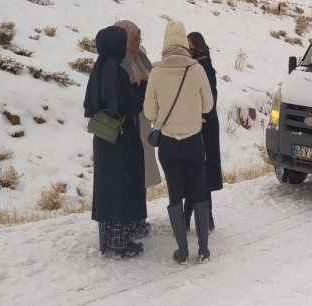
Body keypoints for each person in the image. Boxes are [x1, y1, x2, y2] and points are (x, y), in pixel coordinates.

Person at [144, 21, 214, 264]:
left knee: (175, 193)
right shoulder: (196, 70)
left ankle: (182, 250)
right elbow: (208, 106)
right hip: (194, 140)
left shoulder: (156, 72)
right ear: (184, 42)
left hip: (169, 145)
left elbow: (150, 113)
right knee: (198, 190)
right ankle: (204, 249)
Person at [83, 26, 146, 257]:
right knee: (122, 185)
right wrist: (141, 90)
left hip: (102, 136)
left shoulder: (98, 68)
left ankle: (108, 239)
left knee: (107, 187)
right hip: (120, 137)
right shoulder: (116, 71)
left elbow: (91, 105)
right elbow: (131, 105)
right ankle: (121, 242)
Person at [114, 20, 162, 238]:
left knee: (141, 173)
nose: (138, 42)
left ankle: (139, 219)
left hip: (143, 121)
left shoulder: (139, 57)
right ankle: (129, 221)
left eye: (140, 38)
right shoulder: (118, 62)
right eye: (135, 39)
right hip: (128, 125)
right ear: (124, 39)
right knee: (129, 174)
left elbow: (153, 77)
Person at [183, 31, 222, 232]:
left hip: (204, 127)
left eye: (188, 48)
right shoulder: (199, 68)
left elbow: (208, 103)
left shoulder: (203, 70)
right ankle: (197, 216)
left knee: (201, 173)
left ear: (196, 49)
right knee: (197, 172)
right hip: (201, 125)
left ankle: (204, 217)